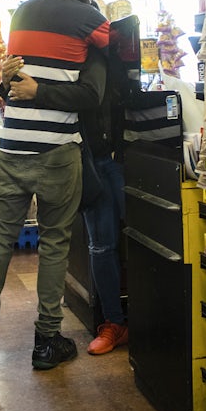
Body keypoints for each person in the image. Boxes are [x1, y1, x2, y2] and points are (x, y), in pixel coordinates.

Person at [0, 0, 109, 371]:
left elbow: (13, 83)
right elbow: (112, 57)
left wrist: (14, 84)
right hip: (58, 151)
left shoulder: (22, 12)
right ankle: (46, 342)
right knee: (55, 244)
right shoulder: (88, 19)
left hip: (12, 148)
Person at [80, 44, 128, 356]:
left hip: (124, 155)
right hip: (90, 160)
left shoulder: (115, 47)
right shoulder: (67, 55)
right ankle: (114, 322)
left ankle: (154, 321)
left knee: (142, 240)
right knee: (101, 245)